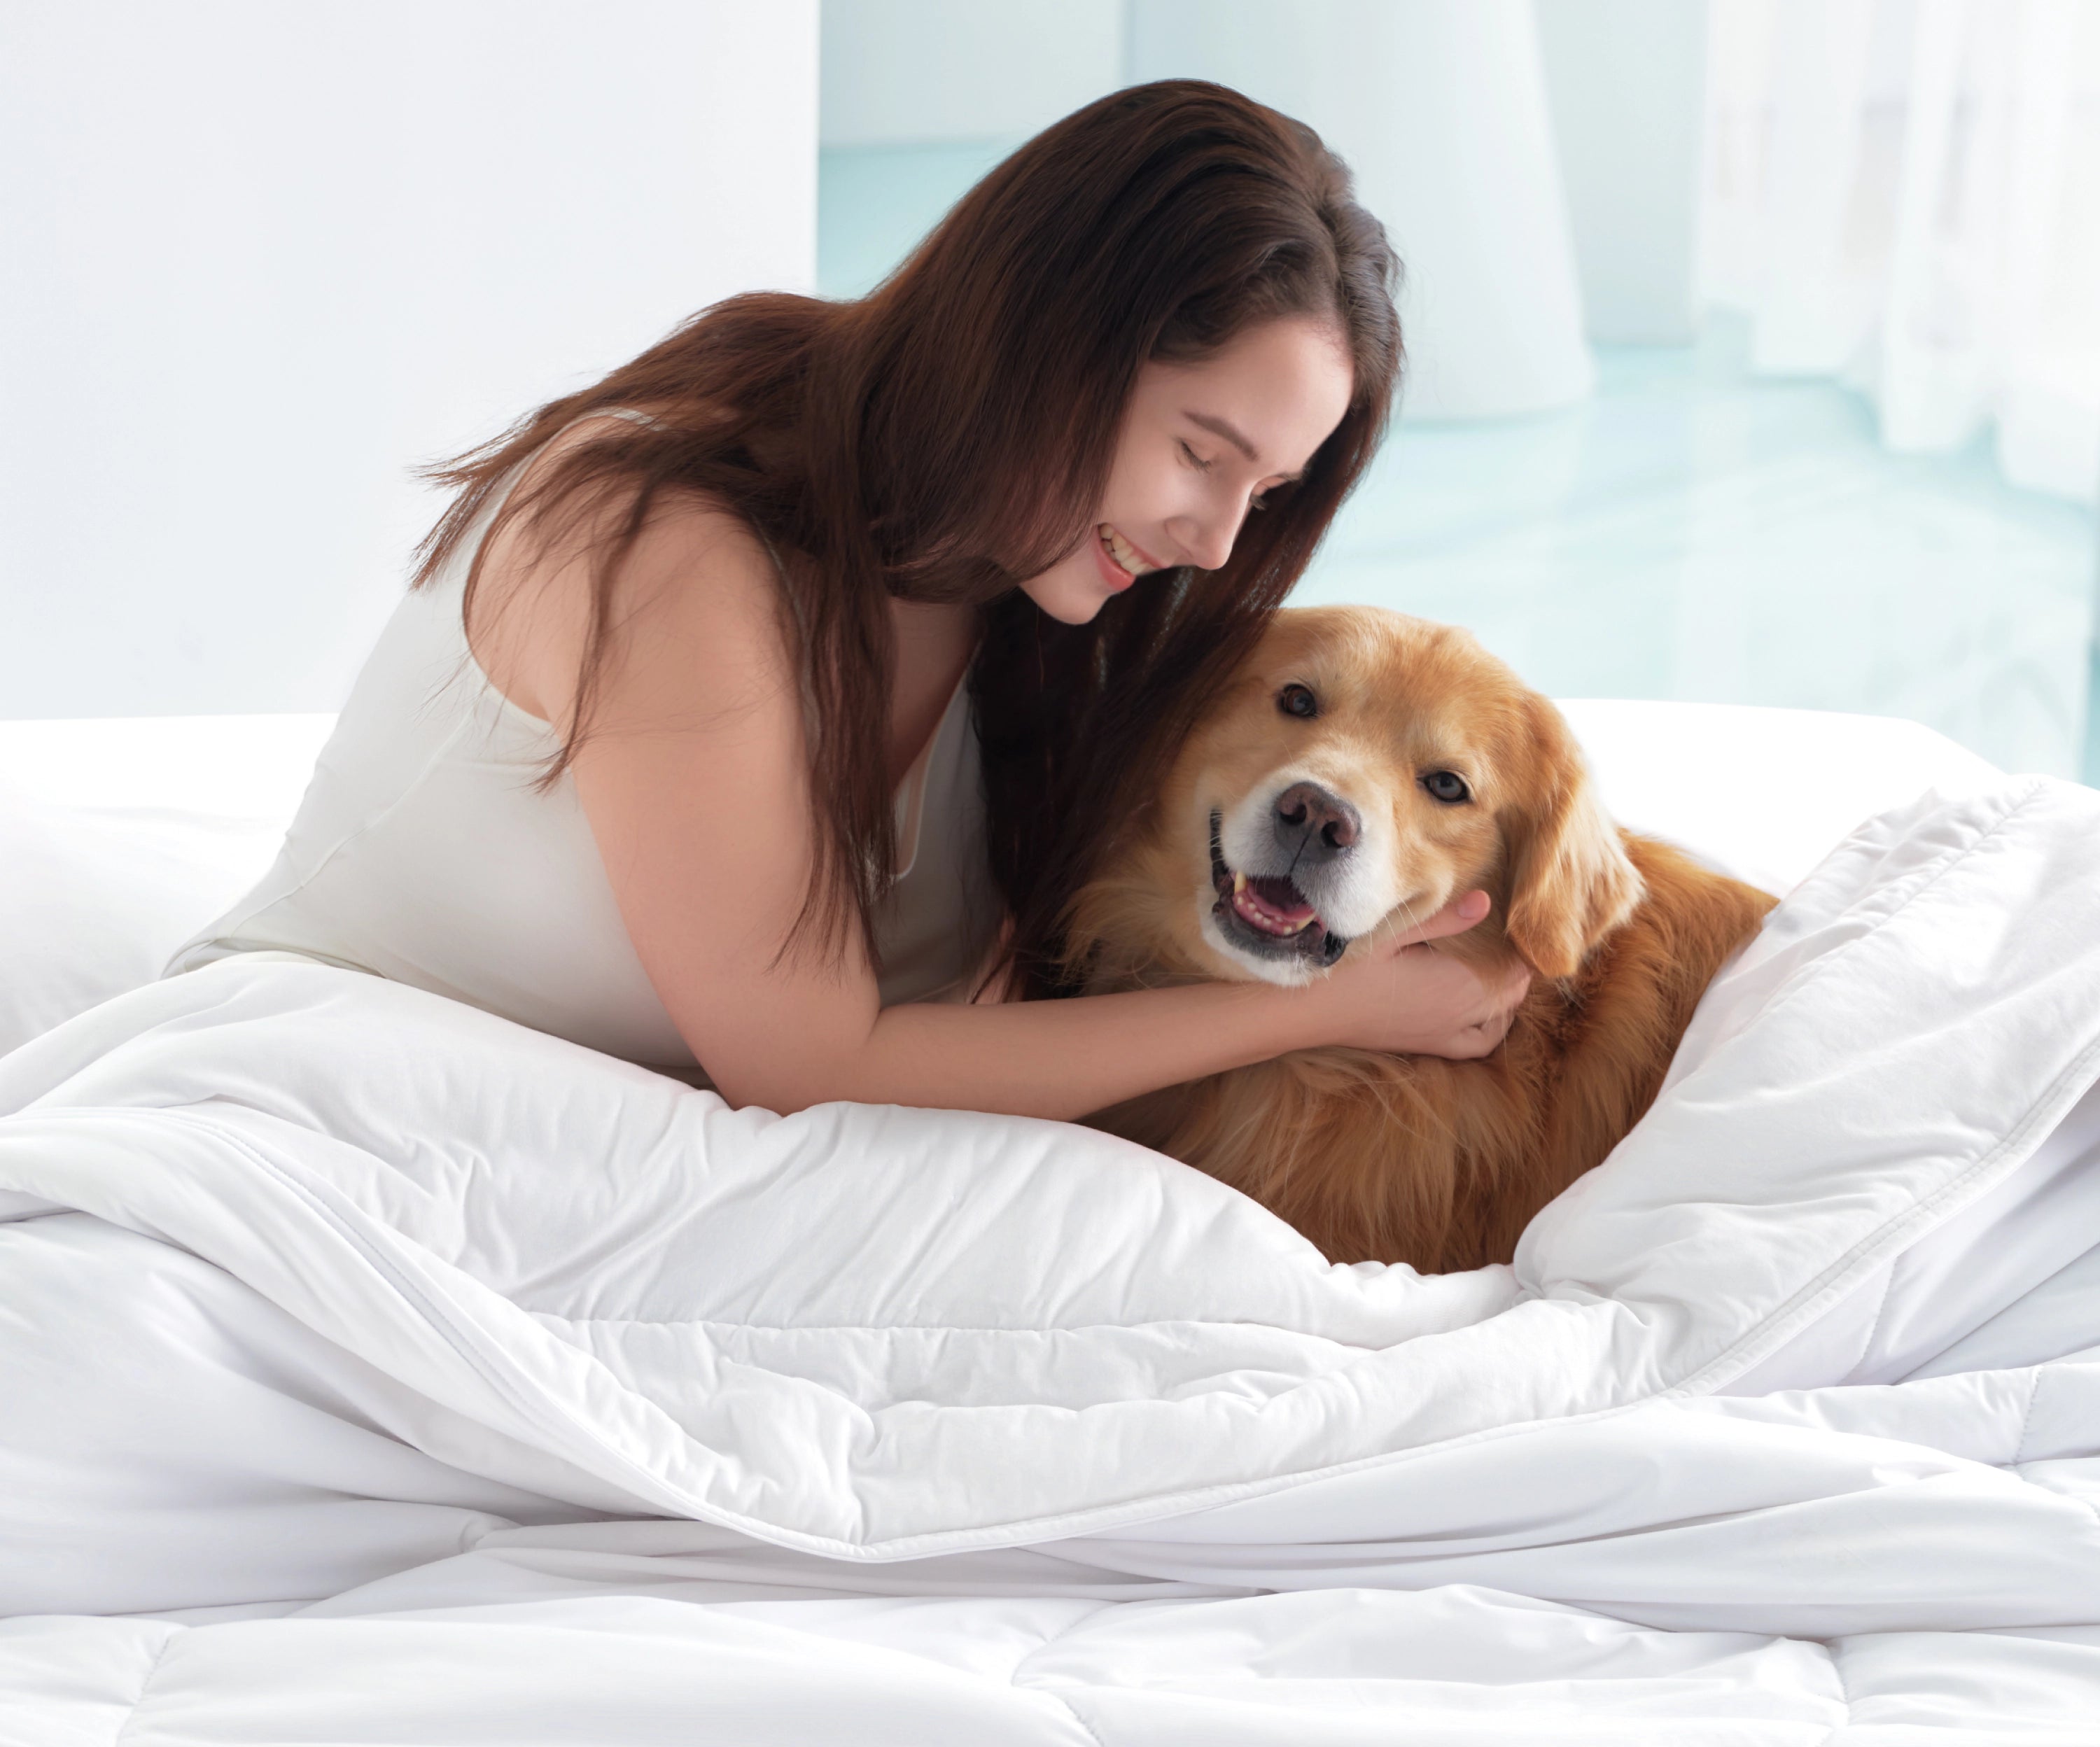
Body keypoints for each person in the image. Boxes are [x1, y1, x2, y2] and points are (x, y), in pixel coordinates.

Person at [172, 80, 1528, 1116]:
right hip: (319, 1106)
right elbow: (805, 1059)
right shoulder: (667, 542)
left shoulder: (1032, 600)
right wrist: (1322, 1009)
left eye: (1268, 493)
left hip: (615, 1160)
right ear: (1048, 339)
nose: (1219, 543)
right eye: (1198, 453)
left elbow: (990, 1015)